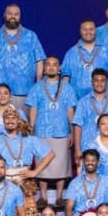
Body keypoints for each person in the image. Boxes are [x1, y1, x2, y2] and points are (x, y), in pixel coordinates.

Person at [0, 107, 55, 215]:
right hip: (3, 182)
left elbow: (50, 154)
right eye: (7, 118)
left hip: (24, 182)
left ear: (18, 120)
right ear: (3, 121)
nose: (10, 121)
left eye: (13, 118)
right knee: (6, 215)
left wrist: (35, 172)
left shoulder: (29, 139)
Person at [28, 56, 77, 205]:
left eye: (54, 65)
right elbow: (33, 109)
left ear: (59, 68)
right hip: (41, 131)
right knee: (43, 165)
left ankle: (60, 196)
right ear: (44, 68)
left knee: (61, 165)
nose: (51, 67)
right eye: (48, 64)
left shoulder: (67, 88)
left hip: (62, 130)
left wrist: (72, 131)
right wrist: (31, 129)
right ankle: (42, 196)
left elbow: (70, 110)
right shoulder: (37, 87)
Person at [0, 3, 46, 112]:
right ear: (4, 15)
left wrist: (38, 83)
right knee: (1, 126)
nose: (13, 16)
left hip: (25, 90)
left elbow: (39, 60)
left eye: (16, 14)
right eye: (10, 14)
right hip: (0, 92)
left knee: (24, 125)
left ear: (20, 16)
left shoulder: (31, 36)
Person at [72, 68, 108, 158]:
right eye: (96, 80)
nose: (99, 84)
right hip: (88, 147)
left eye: (102, 80)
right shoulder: (83, 102)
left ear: (107, 82)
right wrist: (77, 149)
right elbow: (78, 126)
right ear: (91, 82)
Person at [62, 19, 108, 99]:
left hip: (103, 102)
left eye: (91, 29)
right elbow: (65, 78)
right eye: (85, 29)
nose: (88, 32)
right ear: (80, 31)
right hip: (77, 102)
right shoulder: (71, 53)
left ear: (95, 30)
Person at [64, 149, 108, 216]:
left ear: (98, 163)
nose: (90, 163)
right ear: (83, 162)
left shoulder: (107, 182)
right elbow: (68, 207)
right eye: (87, 160)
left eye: (93, 160)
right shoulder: (74, 183)